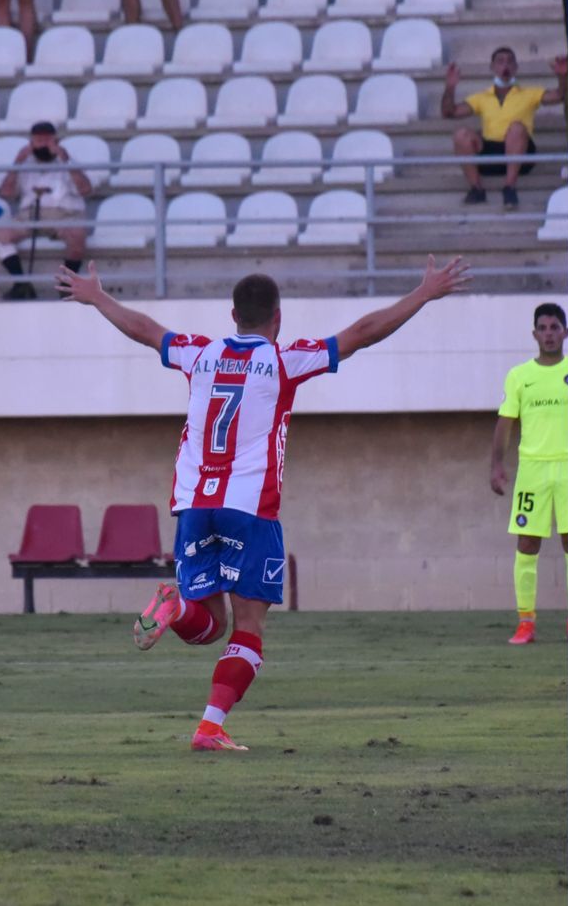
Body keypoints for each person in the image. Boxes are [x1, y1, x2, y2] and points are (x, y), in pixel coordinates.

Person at [59, 257, 469, 750]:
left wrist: (98, 297)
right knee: (248, 627)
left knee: (208, 625)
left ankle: (177, 608)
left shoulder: (199, 353)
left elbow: (147, 330)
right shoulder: (281, 359)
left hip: (193, 505)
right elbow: (361, 333)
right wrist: (422, 294)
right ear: (278, 318)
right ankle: (210, 727)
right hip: (249, 508)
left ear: (233, 315)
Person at [489, 303, 568, 644]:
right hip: (533, 470)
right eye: (543, 328)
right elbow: (506, 423)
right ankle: (526, 621)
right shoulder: (519, 375)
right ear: (534, 334)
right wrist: (496, 464)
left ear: (566, 332)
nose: (549, 334)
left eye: (555, 327)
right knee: (527, 544)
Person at [444, 47, 567, 210]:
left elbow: (559, 95)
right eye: (500, 61)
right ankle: (477, 189)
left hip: (522, 155)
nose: (505, 66)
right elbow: (449, 112)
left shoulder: (529, 93)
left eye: (510, 61)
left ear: (516, 67)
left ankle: (509, 187)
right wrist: (450, 87)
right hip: (491, 153)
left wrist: (562, 75)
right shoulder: (481, 97)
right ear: (492, 67)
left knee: (516, 128)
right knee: (461, 134)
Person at [0, 121, 93, 301]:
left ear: (56, 141)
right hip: (29, 216)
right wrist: (17, 162)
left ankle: (67, 286)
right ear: (31, 143)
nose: (44, 145)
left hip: (64, 215)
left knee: (78, 234)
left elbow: (86, 190)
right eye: (39, 141)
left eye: (48, 140)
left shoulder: (69, 162)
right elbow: (6, 193)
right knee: (0, 233)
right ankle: (21, 283)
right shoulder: (23, 164)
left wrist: (66, 160)